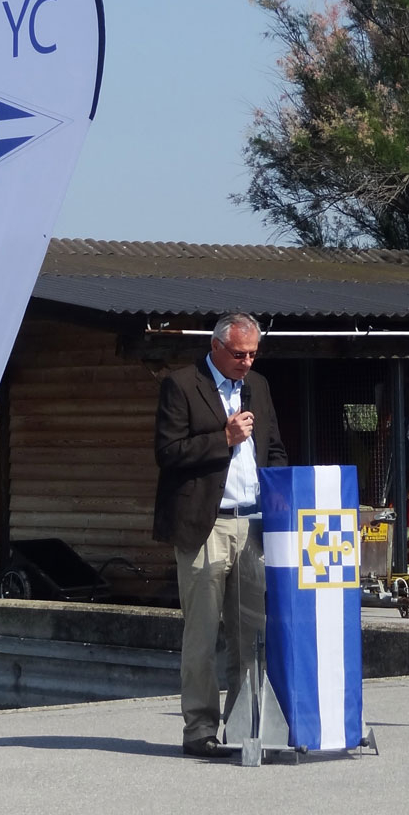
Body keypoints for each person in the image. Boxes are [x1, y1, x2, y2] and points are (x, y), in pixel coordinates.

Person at [153, 312, 287, 756]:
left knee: (250, 638)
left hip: (253, 524)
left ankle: (245, 727)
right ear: (215, 347)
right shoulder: (181, 385)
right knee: (203, 634)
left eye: (252, 354)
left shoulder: (258, 386)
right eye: (238, 354)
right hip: (205, 526)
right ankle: (199, 730)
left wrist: (280, 495)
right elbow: (168, 452)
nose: (246, 362)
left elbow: (274, 448)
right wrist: (223, 439)